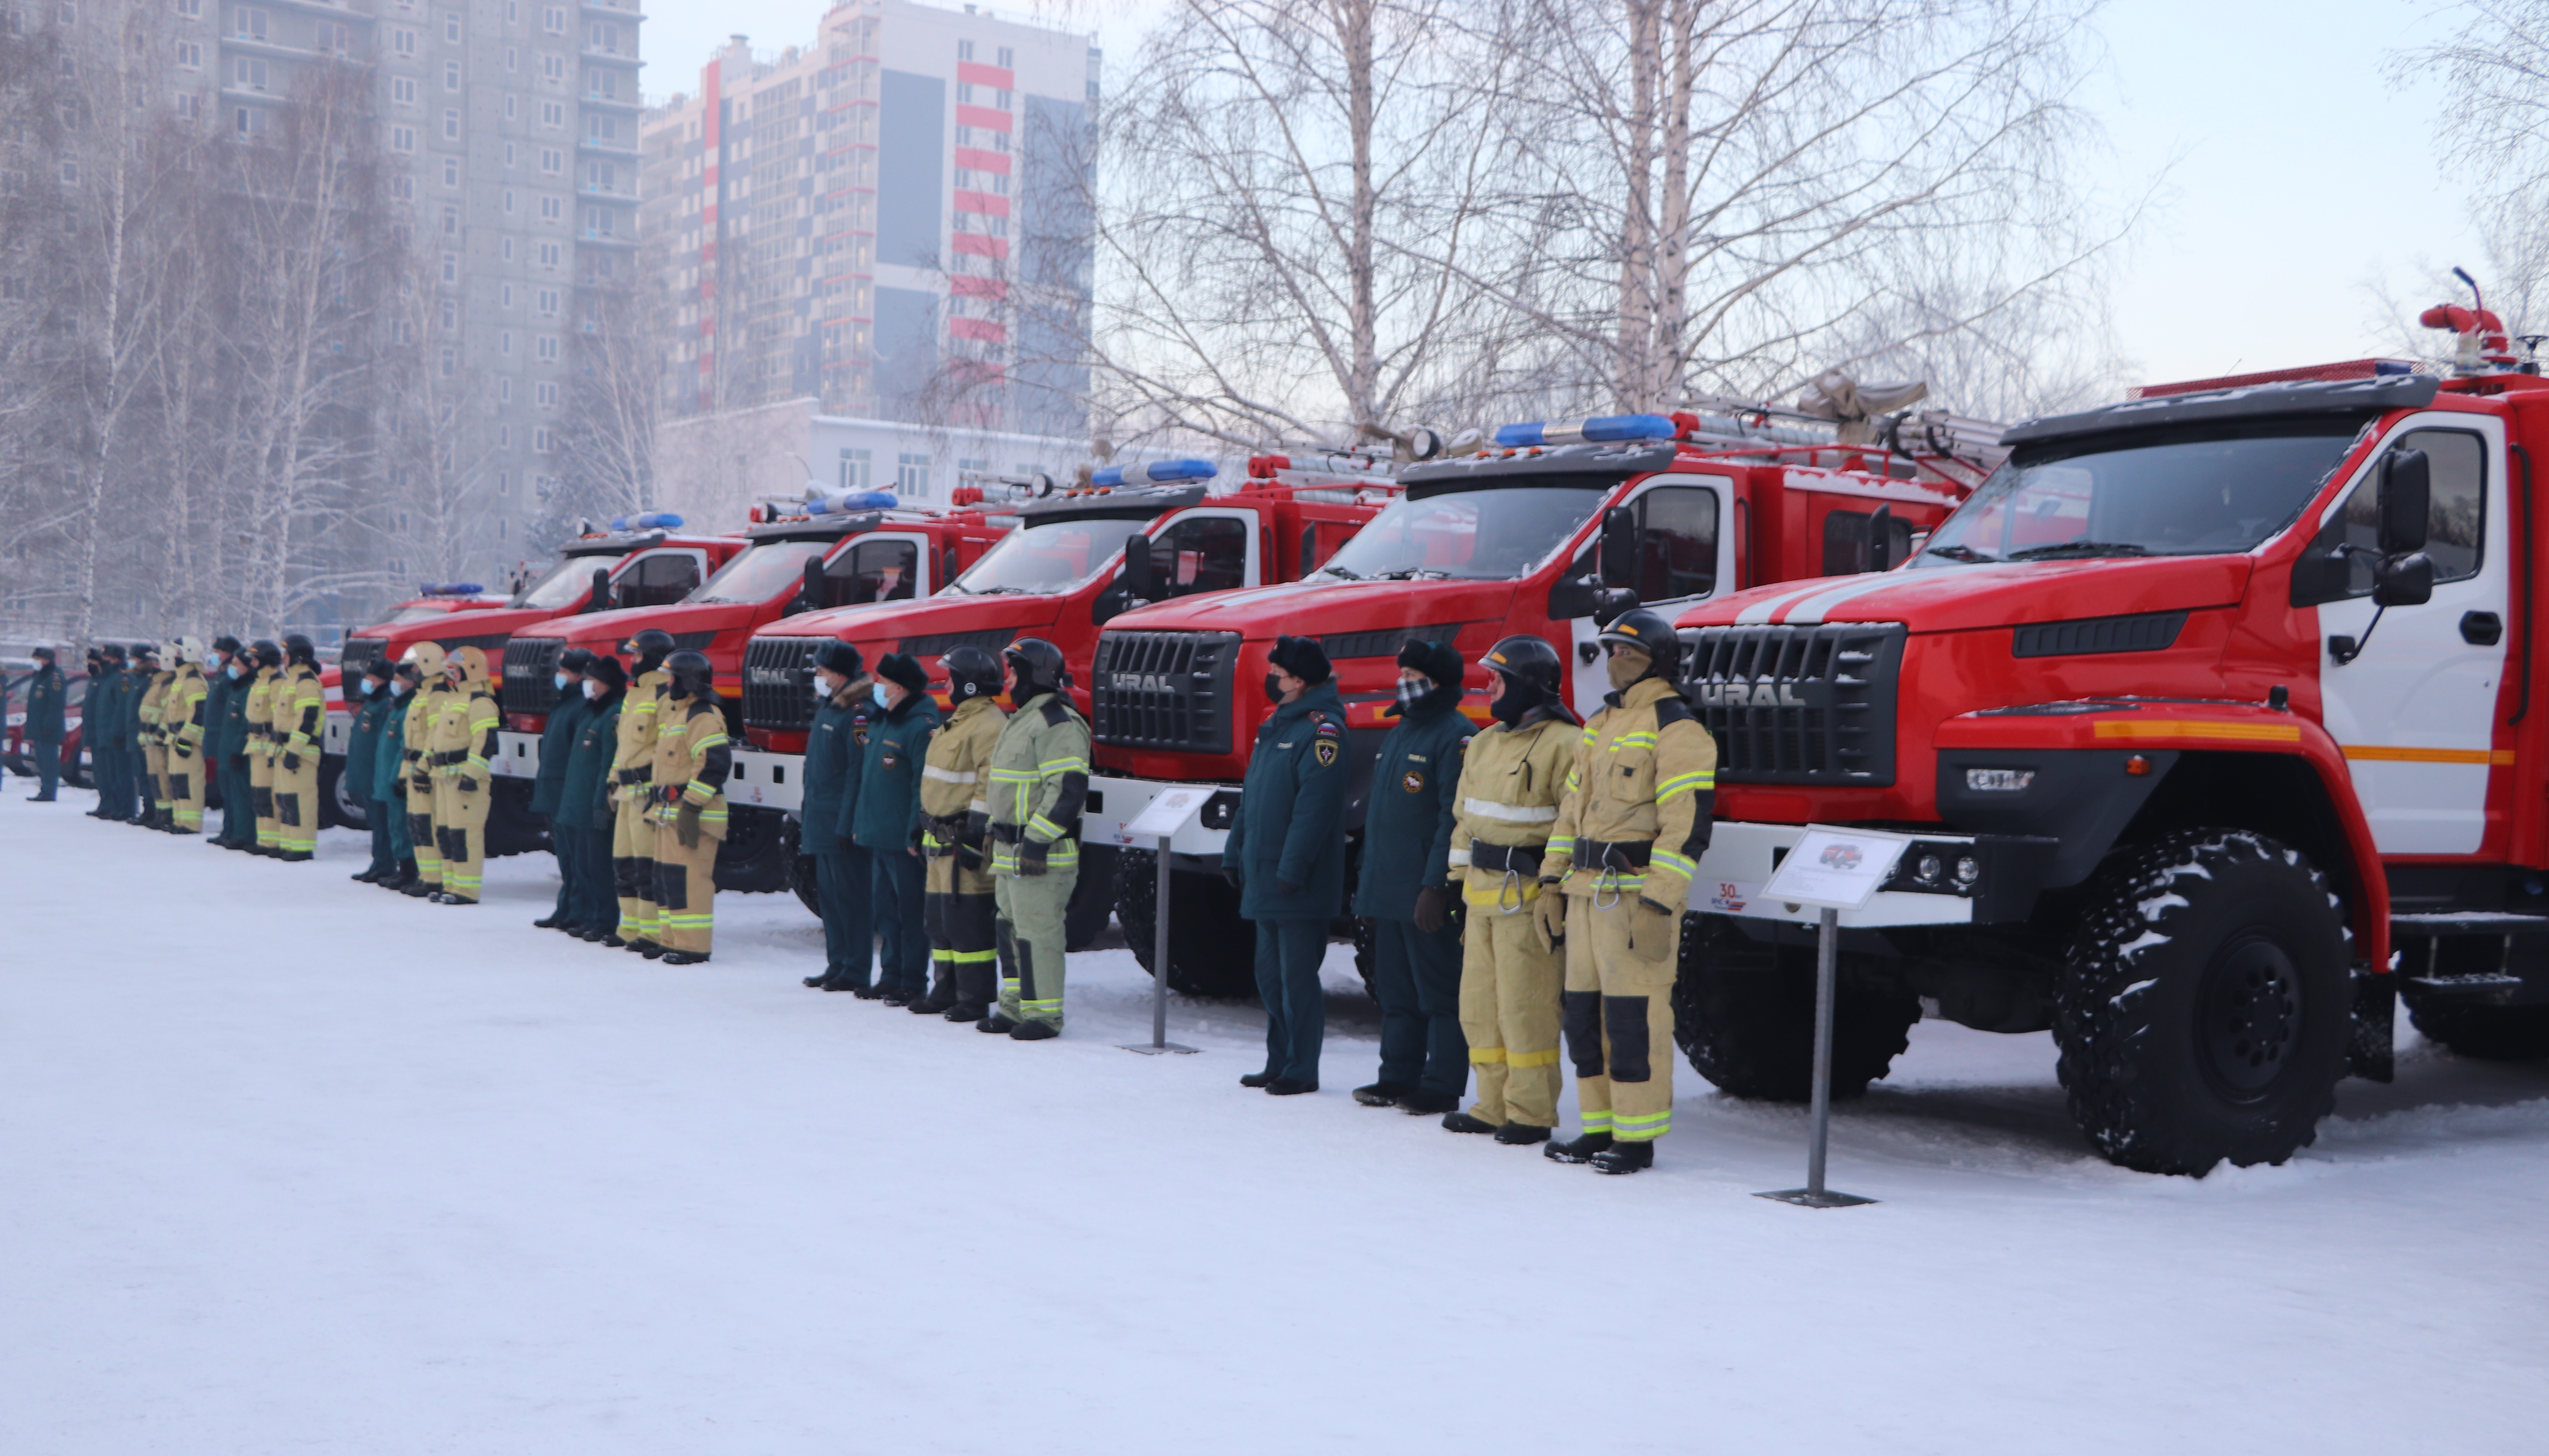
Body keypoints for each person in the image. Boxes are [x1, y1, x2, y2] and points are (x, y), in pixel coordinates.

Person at [1539, 608, 1716, 1175]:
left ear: (1657, 661)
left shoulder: (1678, 727)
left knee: (1633, 1022)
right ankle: (1598, 1127)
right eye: (1611, 650)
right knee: (1584, 1018)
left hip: (1635, 898)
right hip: (1586, 894)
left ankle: (1636, 1139)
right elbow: (1571, 810)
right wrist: (1550, 881)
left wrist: (1661, 901)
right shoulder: (1599, 722)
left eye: (1628, 652)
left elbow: (1686, 825)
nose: (1615, 660)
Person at [1440, 635, 1579, 1145]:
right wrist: (1454, 883)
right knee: (1479, 1008)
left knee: (1526, 1008)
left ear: (1527, 685)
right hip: (1480, 898)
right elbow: (1464, 821)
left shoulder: (1567, 744)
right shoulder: (1482, 743)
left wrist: (1554, 888)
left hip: (1528, 900)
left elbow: (1571, 823)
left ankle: (1531, 1111)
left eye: (1498, 679)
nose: (1489, 686)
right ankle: (1491, 1105)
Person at [1351, 639, 1475, 1116]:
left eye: (1410, 675)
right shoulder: (1401, 730)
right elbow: (1382, 819)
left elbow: (1452, 819)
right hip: (1389, 888)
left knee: (1439, 990)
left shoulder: (1455, 735)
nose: (1401, 682)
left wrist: (1437, 886)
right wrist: (1370, 888)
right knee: (1396, 990)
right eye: (1401, 673)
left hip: (1425, 891)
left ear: (1436, 681)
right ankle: (1397, 1075)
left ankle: (1441, 1083)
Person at [1223, 635, 1351, 1094]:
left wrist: (1293, 868)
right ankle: (1278, 1060)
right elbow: (1253, 797)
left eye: (1277, 673)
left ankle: (1301, 1068)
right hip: (1264, 874)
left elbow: (1315, 810)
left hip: (1295, 881)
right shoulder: (1276, 725)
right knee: (1269, 977)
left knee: (1297, 979)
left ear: (1298, 681)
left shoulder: (1322, 731)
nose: (1270, 679)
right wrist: (1234, 849)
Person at [982, 638, 1088, 1040]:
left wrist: (1037, 842)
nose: (1007, 678)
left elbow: (1067, 791)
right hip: (1010, 852)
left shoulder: (1056, 723)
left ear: (1033, 673)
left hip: (1041, 856)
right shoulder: (1022, 719)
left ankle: (1044, 1015)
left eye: (1013, 669)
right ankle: (1014, 1007)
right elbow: (1008, 788)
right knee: (1010, 930)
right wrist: (993, 828)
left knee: (1038, 934)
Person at [914, 646, 1005, 1018]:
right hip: (940, 842)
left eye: (950, 677)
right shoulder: (958, 722)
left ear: (969, 684)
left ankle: (974, 997)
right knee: (940, 922)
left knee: (969, 925)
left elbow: (989, 785)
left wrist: (975, 835)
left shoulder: (988, 726)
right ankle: (946, 990)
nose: (945, 684)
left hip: (963, 844)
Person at [856, 652, 939, 1005]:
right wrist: (860, 824)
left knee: (910, 913)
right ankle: (890, 975)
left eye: (883, 682)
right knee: (887, 912)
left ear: (900, 687)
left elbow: (922, 786)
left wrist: (914, 832)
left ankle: (913, 979)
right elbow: (870, 781)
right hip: (878, 834)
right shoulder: (883, 722)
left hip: (902, 840)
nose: (877, 687)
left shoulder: (919, 726)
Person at [798, 641, 877, 991]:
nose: (818, 676)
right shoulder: (829, 708)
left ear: (840, 673)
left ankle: (856, 968)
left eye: (822, 670)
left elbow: (857, 774)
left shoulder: (858, 714)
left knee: (852, 899)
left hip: (841, 823)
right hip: (822, 818)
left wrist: (848, 824)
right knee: (830, 899)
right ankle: (838, 963)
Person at [646, 649, 730, 965]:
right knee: (668, 879)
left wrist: (692, 808)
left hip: (693, 815)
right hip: (670, 813)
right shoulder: (679, 714)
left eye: (672, 678)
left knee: (690, 881)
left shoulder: (704, 717)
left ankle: (693, 946)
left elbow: (714, 764)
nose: (668, 683)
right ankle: (671, 940)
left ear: (688, 681)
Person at [609, 629, 676, 952]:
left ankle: (652, 934)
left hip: (646, 792)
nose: (631, 661)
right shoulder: (634, 694)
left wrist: (659, 793)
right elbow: (623, 745)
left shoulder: (664, 695)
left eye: (636, 655)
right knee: (624, 863)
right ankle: (629, 928)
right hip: (625, 793)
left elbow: (669, 748)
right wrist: (612, 779)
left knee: (647, 866)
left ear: (651, 658)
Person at [557, 655, 626, 938]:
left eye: (592, 680)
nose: (587, 684)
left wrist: (601, 804)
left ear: (606, 684)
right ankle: (590, 917)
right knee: (584, 867)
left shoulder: (612, 715)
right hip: (578, 805)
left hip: (594, 806)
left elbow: (607, 765)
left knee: (600, 869)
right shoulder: (591, 712)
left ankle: (605, 920)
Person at [426, 646, 501, 903]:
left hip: (465, 782)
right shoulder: (453, 700)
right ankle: (451, 885)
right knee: (446, 833)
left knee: (464, 835)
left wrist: (471, 775)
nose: (452, 675)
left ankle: (466, 890)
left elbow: (486, 742)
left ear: (471, 670)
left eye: (456, 670)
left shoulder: (481, 703)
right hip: (445, 778)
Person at [530, 648, 593, 926]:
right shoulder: (564, 703)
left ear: (579, 675)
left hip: (567, 792)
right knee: (566, 857)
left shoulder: (580, 705)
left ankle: (578, 911)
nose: (559, 676)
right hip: (555, 791)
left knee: (577, 857)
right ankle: (566, 908)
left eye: (564, 671)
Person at [397, 643, 457, 896]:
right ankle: (426, 876)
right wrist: (405, 773)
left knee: (428, 825)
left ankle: (435, 880)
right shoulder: (423, 695)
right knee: (417, 825)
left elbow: (434, 738)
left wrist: (422, 769)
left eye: (414, 667)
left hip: (427, 772)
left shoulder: (438, 696)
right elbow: (410, 742)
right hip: (415, 770)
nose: (412, 673)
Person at [268, 635, 327, 861]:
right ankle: (289, 844)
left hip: (302, 753)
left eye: (287, 654)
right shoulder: (291, 682)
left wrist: (294, 750)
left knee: (300, 801)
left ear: (297, 657)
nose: (283, 658)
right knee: (286, 800)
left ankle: (302, 847)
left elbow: (307, 720)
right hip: (285, 750)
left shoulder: (307, 684)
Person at [346, 657, 401, 880]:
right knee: (376, 822)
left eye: (372, 677)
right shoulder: (372, 701)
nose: (367, 681)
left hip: (377, 773)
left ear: (383, 680)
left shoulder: (385, 704)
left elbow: (385, 741)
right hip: (368, 773)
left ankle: (386, 864)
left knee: (383, 823)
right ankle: (378, 863)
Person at [371, 657, 421, 890]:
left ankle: (410, 870)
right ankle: (403, 869)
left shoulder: (408, 709)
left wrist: (397, 778)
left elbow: (405, 747)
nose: (394, 683)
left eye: (398, 679)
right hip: (388, 778)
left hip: (397, 779)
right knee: (395, 826)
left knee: (403, 826)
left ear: (410, 683)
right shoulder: (398, 707)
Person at [162, 638, 211, 835]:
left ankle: (191, 824)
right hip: (176, 739)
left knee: (189, 783)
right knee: (177, 781)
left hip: (188, 742)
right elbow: (172, 712)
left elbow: (198, 712)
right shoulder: (180, 680)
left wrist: (187, 738)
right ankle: (180, 820)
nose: (175, 657)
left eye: (179, 653)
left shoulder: (194, 682)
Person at [207, 638, 253, 848]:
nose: (233, 667)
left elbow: (243, 722)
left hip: (235, 745)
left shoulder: (244, 689)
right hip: (224, 742)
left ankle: (240, 833)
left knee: (239, 794)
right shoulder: (231, 684)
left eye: (237, 664)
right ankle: (229, 830)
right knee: (228, 792)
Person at [242, 639, 282, 854]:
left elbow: (280, 718)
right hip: (256, 746)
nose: (252, 663)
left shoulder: (276, 684)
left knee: (270, 795)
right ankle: (265, 839)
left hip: (268, 746)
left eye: (255, 659)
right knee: (259, 795)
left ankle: (273, 841)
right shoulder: (259, 682)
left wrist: (274, 748)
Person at [89, 645, 131, 821]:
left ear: (115, 659)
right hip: (103, 732)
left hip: (114, 733)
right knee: (107, 774)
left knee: (120, 774)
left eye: (106, 658)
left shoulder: (121, 678)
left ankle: (124, 807)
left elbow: (121, 708)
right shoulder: (106, 678)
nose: (102, 661)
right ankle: (110, 805)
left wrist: (118, 731)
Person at [135, 644, 171, 829]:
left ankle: (165, 815)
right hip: (150, 740)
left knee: (162, 779)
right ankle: (159, 814)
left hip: (159, 740)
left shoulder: (167, 684)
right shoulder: (156, 683)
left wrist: (161, 734)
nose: (154, 665)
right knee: (154, 778)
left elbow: (168, 713)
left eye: (158, 661)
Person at [23, 646, 65, 801]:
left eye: (38, 659)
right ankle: (45, 789)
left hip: (48, 729)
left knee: (49, 762)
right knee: (41, 761)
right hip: (39, 727)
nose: (36, 662)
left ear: (47, 660)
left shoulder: (54, 677)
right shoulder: (41, 676)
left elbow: (56, 704)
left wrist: (49, 725)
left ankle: (49, 791)